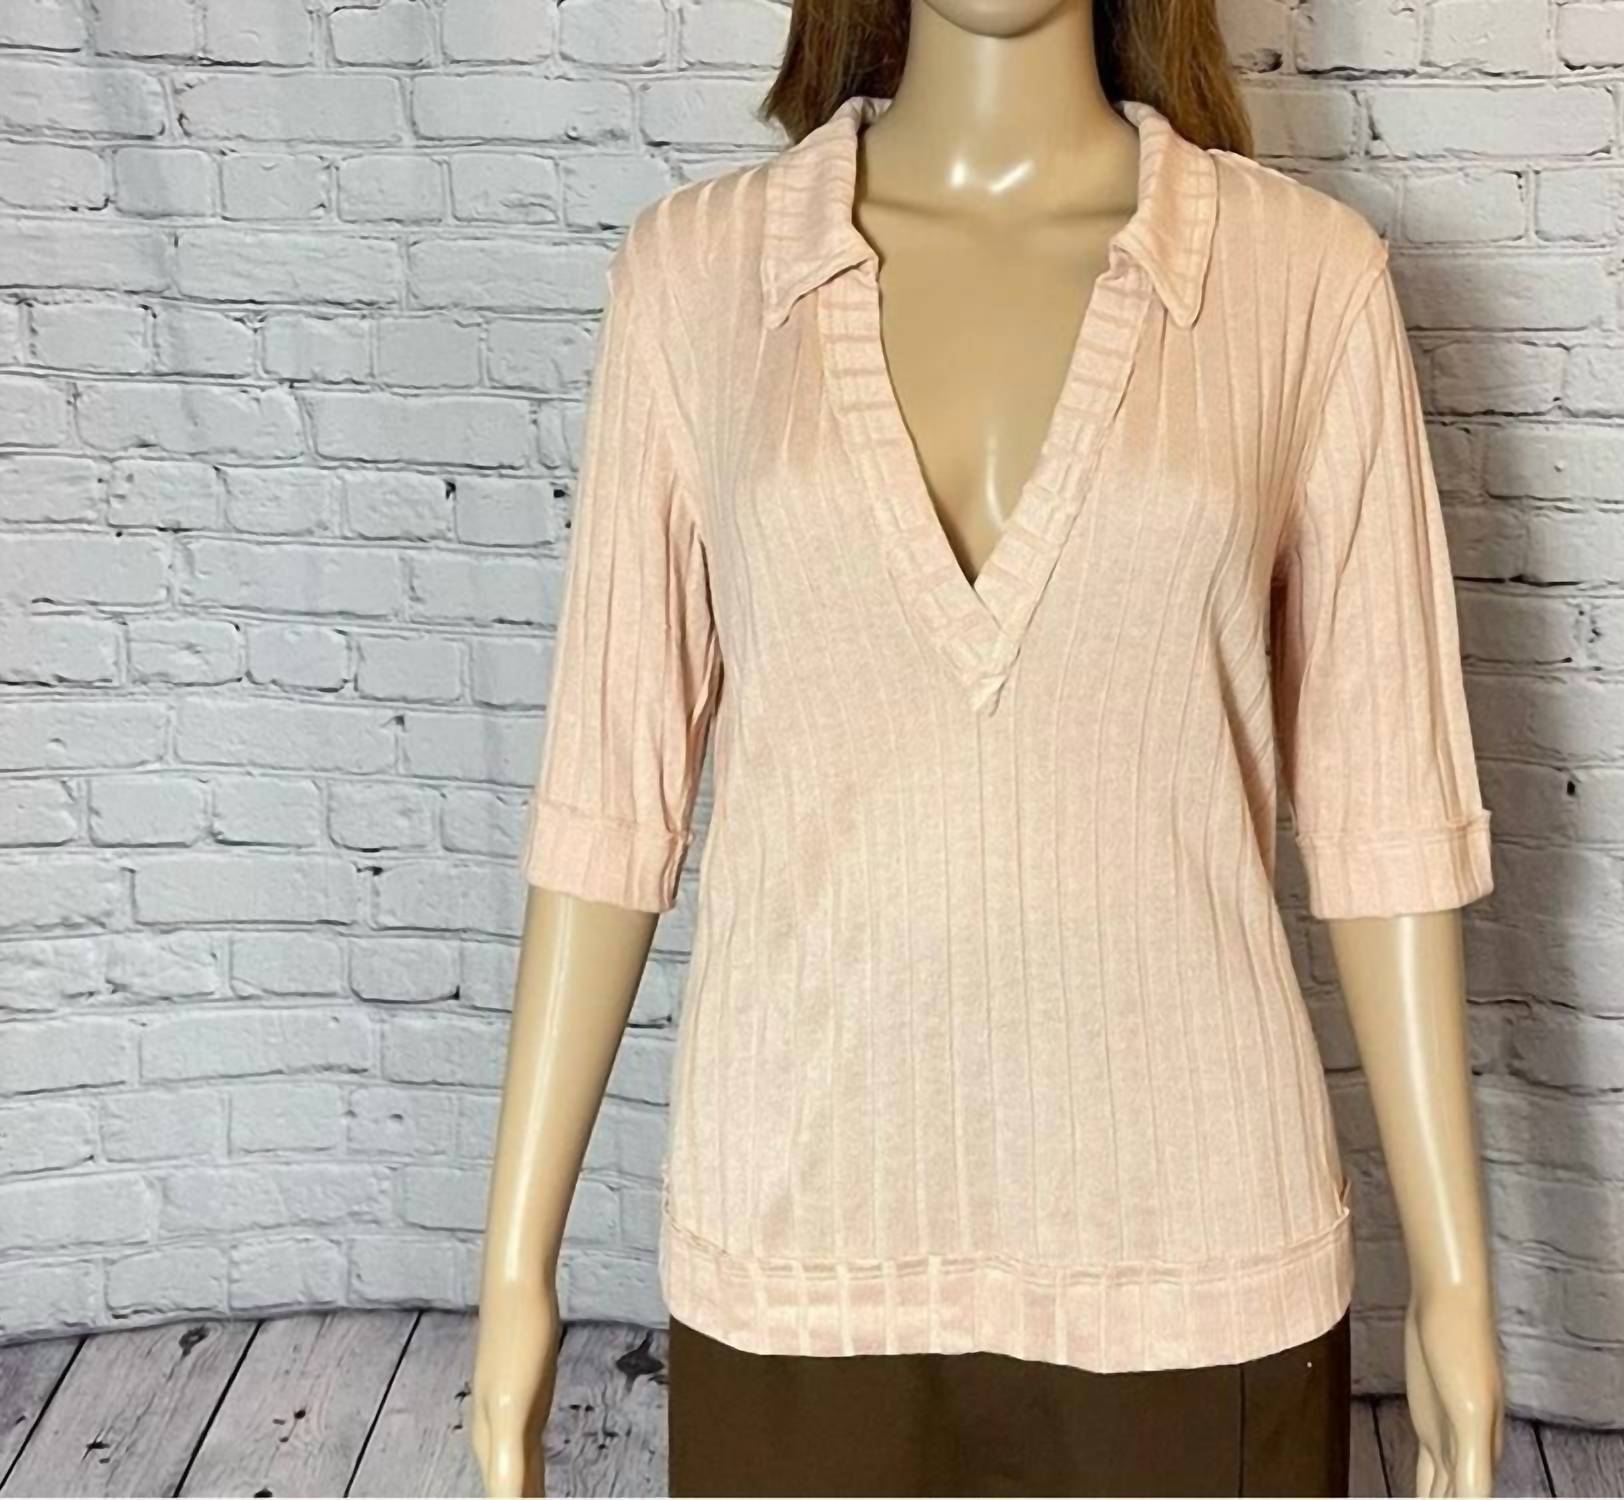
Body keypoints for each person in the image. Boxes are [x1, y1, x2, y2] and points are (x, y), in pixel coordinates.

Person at [471, 1, 1505, 1493]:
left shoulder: (1302, 282)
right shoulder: (694, 278)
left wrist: (1454, 1281)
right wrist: (517, 1263)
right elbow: (606, 803)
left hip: (1197, 1258)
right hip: (799, 1248)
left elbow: (1387, 806)